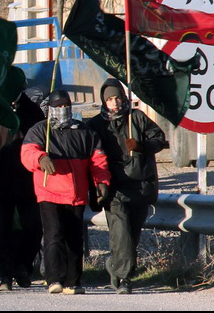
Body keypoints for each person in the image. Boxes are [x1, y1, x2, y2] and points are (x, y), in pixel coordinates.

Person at [21, 89, 111, 295]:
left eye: (66, 106)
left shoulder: (84, 131)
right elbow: (27, 153)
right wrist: (41, 159)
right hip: (49, 191)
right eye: (58, 106)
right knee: (53, 235)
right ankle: (54, 279)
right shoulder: (40, 130)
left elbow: (98, 160)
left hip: (76, 193)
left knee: (74, 238)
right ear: (50, 108)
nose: (63, 110)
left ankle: (73, 280)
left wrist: (102, 182)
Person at [86, 78, 166, 294]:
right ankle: (124, 278)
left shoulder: (136, 118)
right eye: (110, 99)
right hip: (113, 188)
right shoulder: (95, 125)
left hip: (139, 184)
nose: (114, 103)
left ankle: (116, 267)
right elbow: (86, 150)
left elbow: (159, 139)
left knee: (132, 234)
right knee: (120, 233)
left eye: (117, 98)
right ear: (104, 101)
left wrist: (141, 146)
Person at [0, 88, 45, 290]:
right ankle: (5, 274)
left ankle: (22, 267)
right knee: (2, 229)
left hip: (28, 179)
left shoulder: (32, 111)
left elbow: (42, 141)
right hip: (0, 179)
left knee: (33, 227)